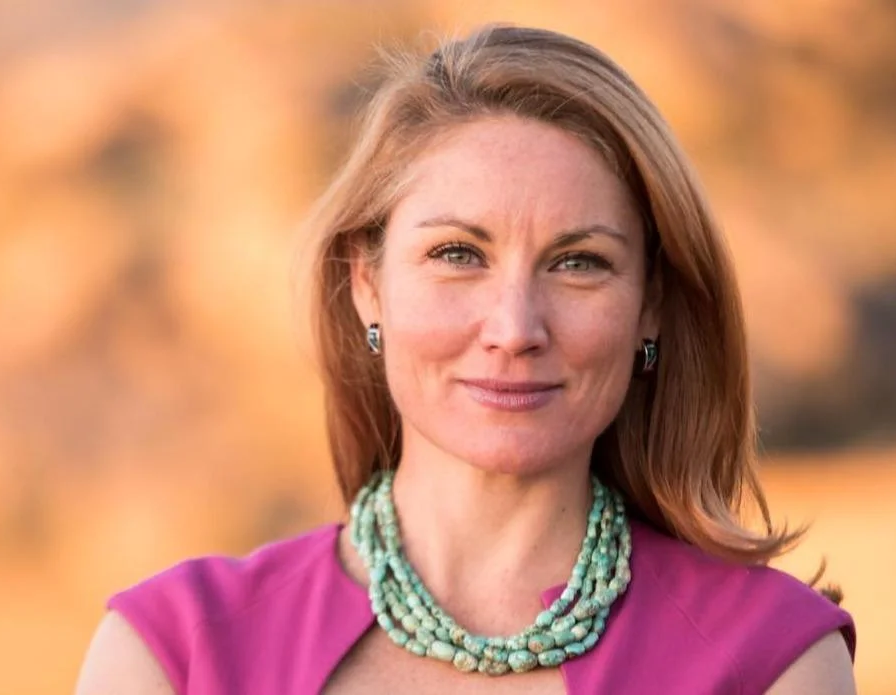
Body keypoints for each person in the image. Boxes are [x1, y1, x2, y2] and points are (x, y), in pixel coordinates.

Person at [75, 24, 856, 695]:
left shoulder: (770, 662)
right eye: (457, 253)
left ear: (651, 302)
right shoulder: (174, 656)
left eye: (578, 262)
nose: (514, 326)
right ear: (367, 283)